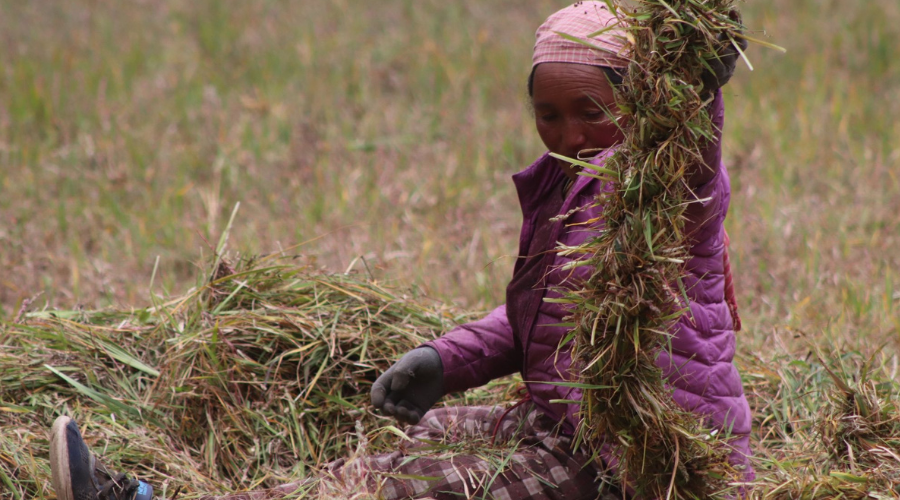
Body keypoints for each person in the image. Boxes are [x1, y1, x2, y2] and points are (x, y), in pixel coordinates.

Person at [48, 3, 751, 499]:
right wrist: (448, 360)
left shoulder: (666, 195)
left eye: (591, 113)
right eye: (548, 115)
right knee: (424, 437)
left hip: (629, 469)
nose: (567, 135)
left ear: (647, 108)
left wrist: (696, 90)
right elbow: (552, 311)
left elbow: (693, 148)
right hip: (559, 425)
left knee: (392, 488)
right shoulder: (568, 192)